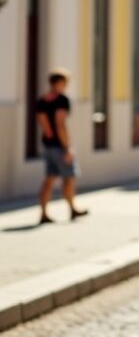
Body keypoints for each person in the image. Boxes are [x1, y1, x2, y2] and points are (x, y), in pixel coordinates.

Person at [35, 69, 88, 224]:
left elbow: (43, 123)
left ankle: (44, 213)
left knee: (49, 179)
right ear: (60, 83)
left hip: (48, 143)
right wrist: (67, 147)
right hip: (59, 145)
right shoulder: (62, 100)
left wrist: (49, 136)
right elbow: (60, 124)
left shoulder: (43, 100)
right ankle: (72, 209)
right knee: (69, 178)